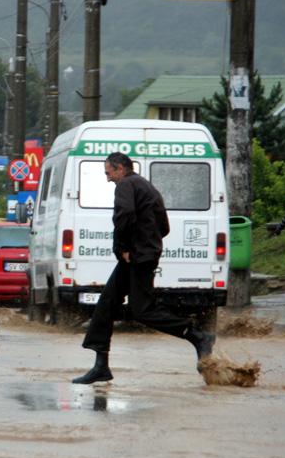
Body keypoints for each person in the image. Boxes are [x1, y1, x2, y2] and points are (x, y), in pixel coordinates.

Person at [72, 152, 215, 384]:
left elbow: (124, 215)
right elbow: (164, 226)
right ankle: (100, 367)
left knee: (142, 310)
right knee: (107, 304)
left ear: (120, 168)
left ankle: (197, 336)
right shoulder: (147, 187)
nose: (108, 179)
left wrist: (123, 247)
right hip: (142, 254)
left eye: (108, 173)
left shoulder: (126, 184)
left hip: (136, 257)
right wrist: (147, 242)